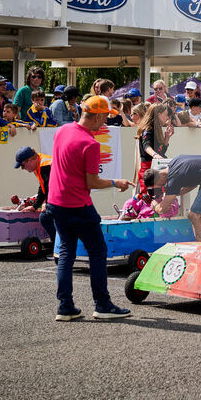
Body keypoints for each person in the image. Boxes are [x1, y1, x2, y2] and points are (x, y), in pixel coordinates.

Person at [47, 96, 133, 321]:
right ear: (95, 116)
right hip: (78, 205)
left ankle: (65, 306)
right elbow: (92, 183)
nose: (105, 122)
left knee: (66, 252)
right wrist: (117, 182)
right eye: (105, 117)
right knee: (97, 251)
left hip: (55, 202)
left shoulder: (62, 131)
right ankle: (102, 304)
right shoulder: (91, 144)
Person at [14, 146, 56, 244]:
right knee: (47, 216)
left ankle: (58, 248)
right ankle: (59, 246)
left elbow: (51, 186)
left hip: (66, 196)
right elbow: (43, 187)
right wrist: (34, 206)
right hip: (61, 196)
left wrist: (47, 202)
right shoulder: (38, 165)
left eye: (23, 165)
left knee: (45, 217)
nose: (23, 169)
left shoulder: (44, 165)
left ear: (29, 160)